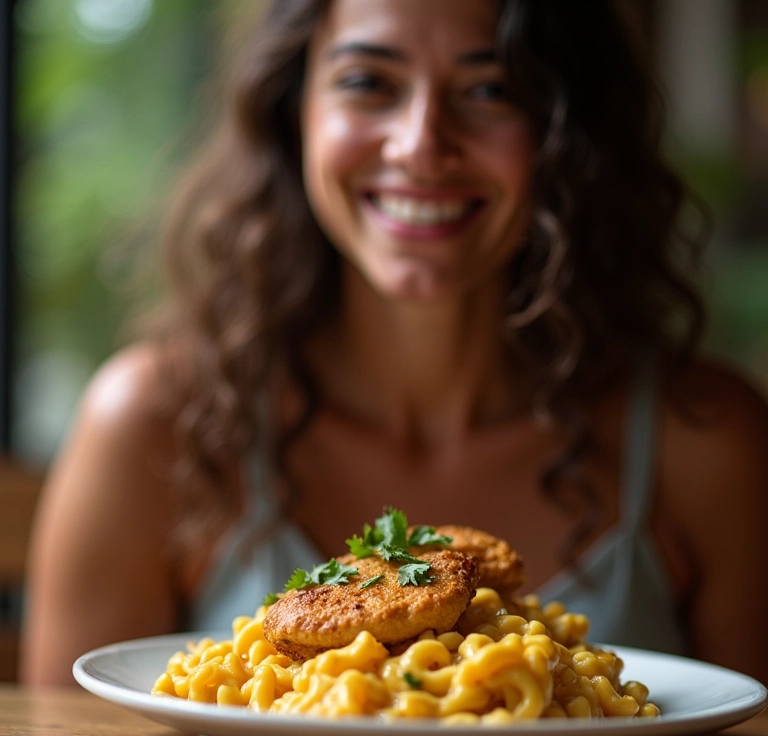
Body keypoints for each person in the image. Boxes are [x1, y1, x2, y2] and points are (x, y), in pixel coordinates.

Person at [20, 0, 768, 688]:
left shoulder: (705, 442)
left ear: (566, 130)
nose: (420, 144)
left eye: (489, 90)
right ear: (296, 113)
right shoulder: (151, 424)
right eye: (368, 82)